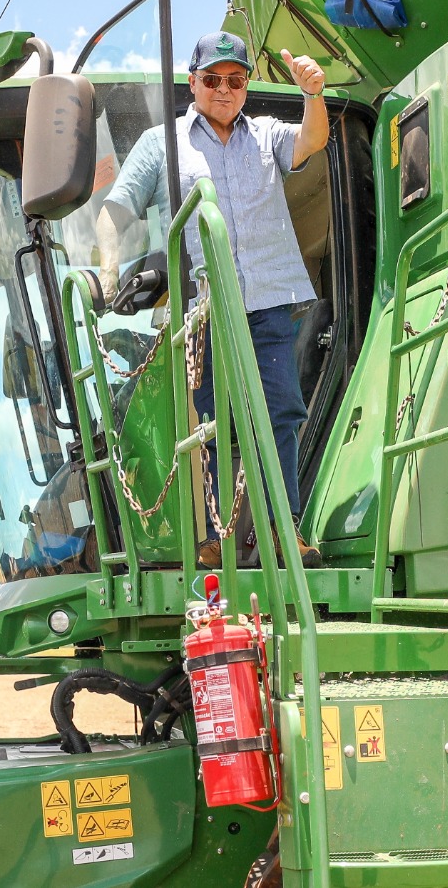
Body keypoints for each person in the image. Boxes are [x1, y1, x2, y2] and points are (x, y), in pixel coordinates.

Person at [96, 30, 327, 569]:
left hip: (268, 300)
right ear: (193, 83)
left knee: (281, 414)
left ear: (246, 87)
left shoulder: (267, 134)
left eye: (236, 80)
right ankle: (226, 534)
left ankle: (282, 530)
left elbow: (312, 140)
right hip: (203, 308)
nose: (224, 90)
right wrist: (108, 266)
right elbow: (116, 210)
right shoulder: (163, 143)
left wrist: (313, 93)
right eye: (212, 79)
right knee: (217, 423)